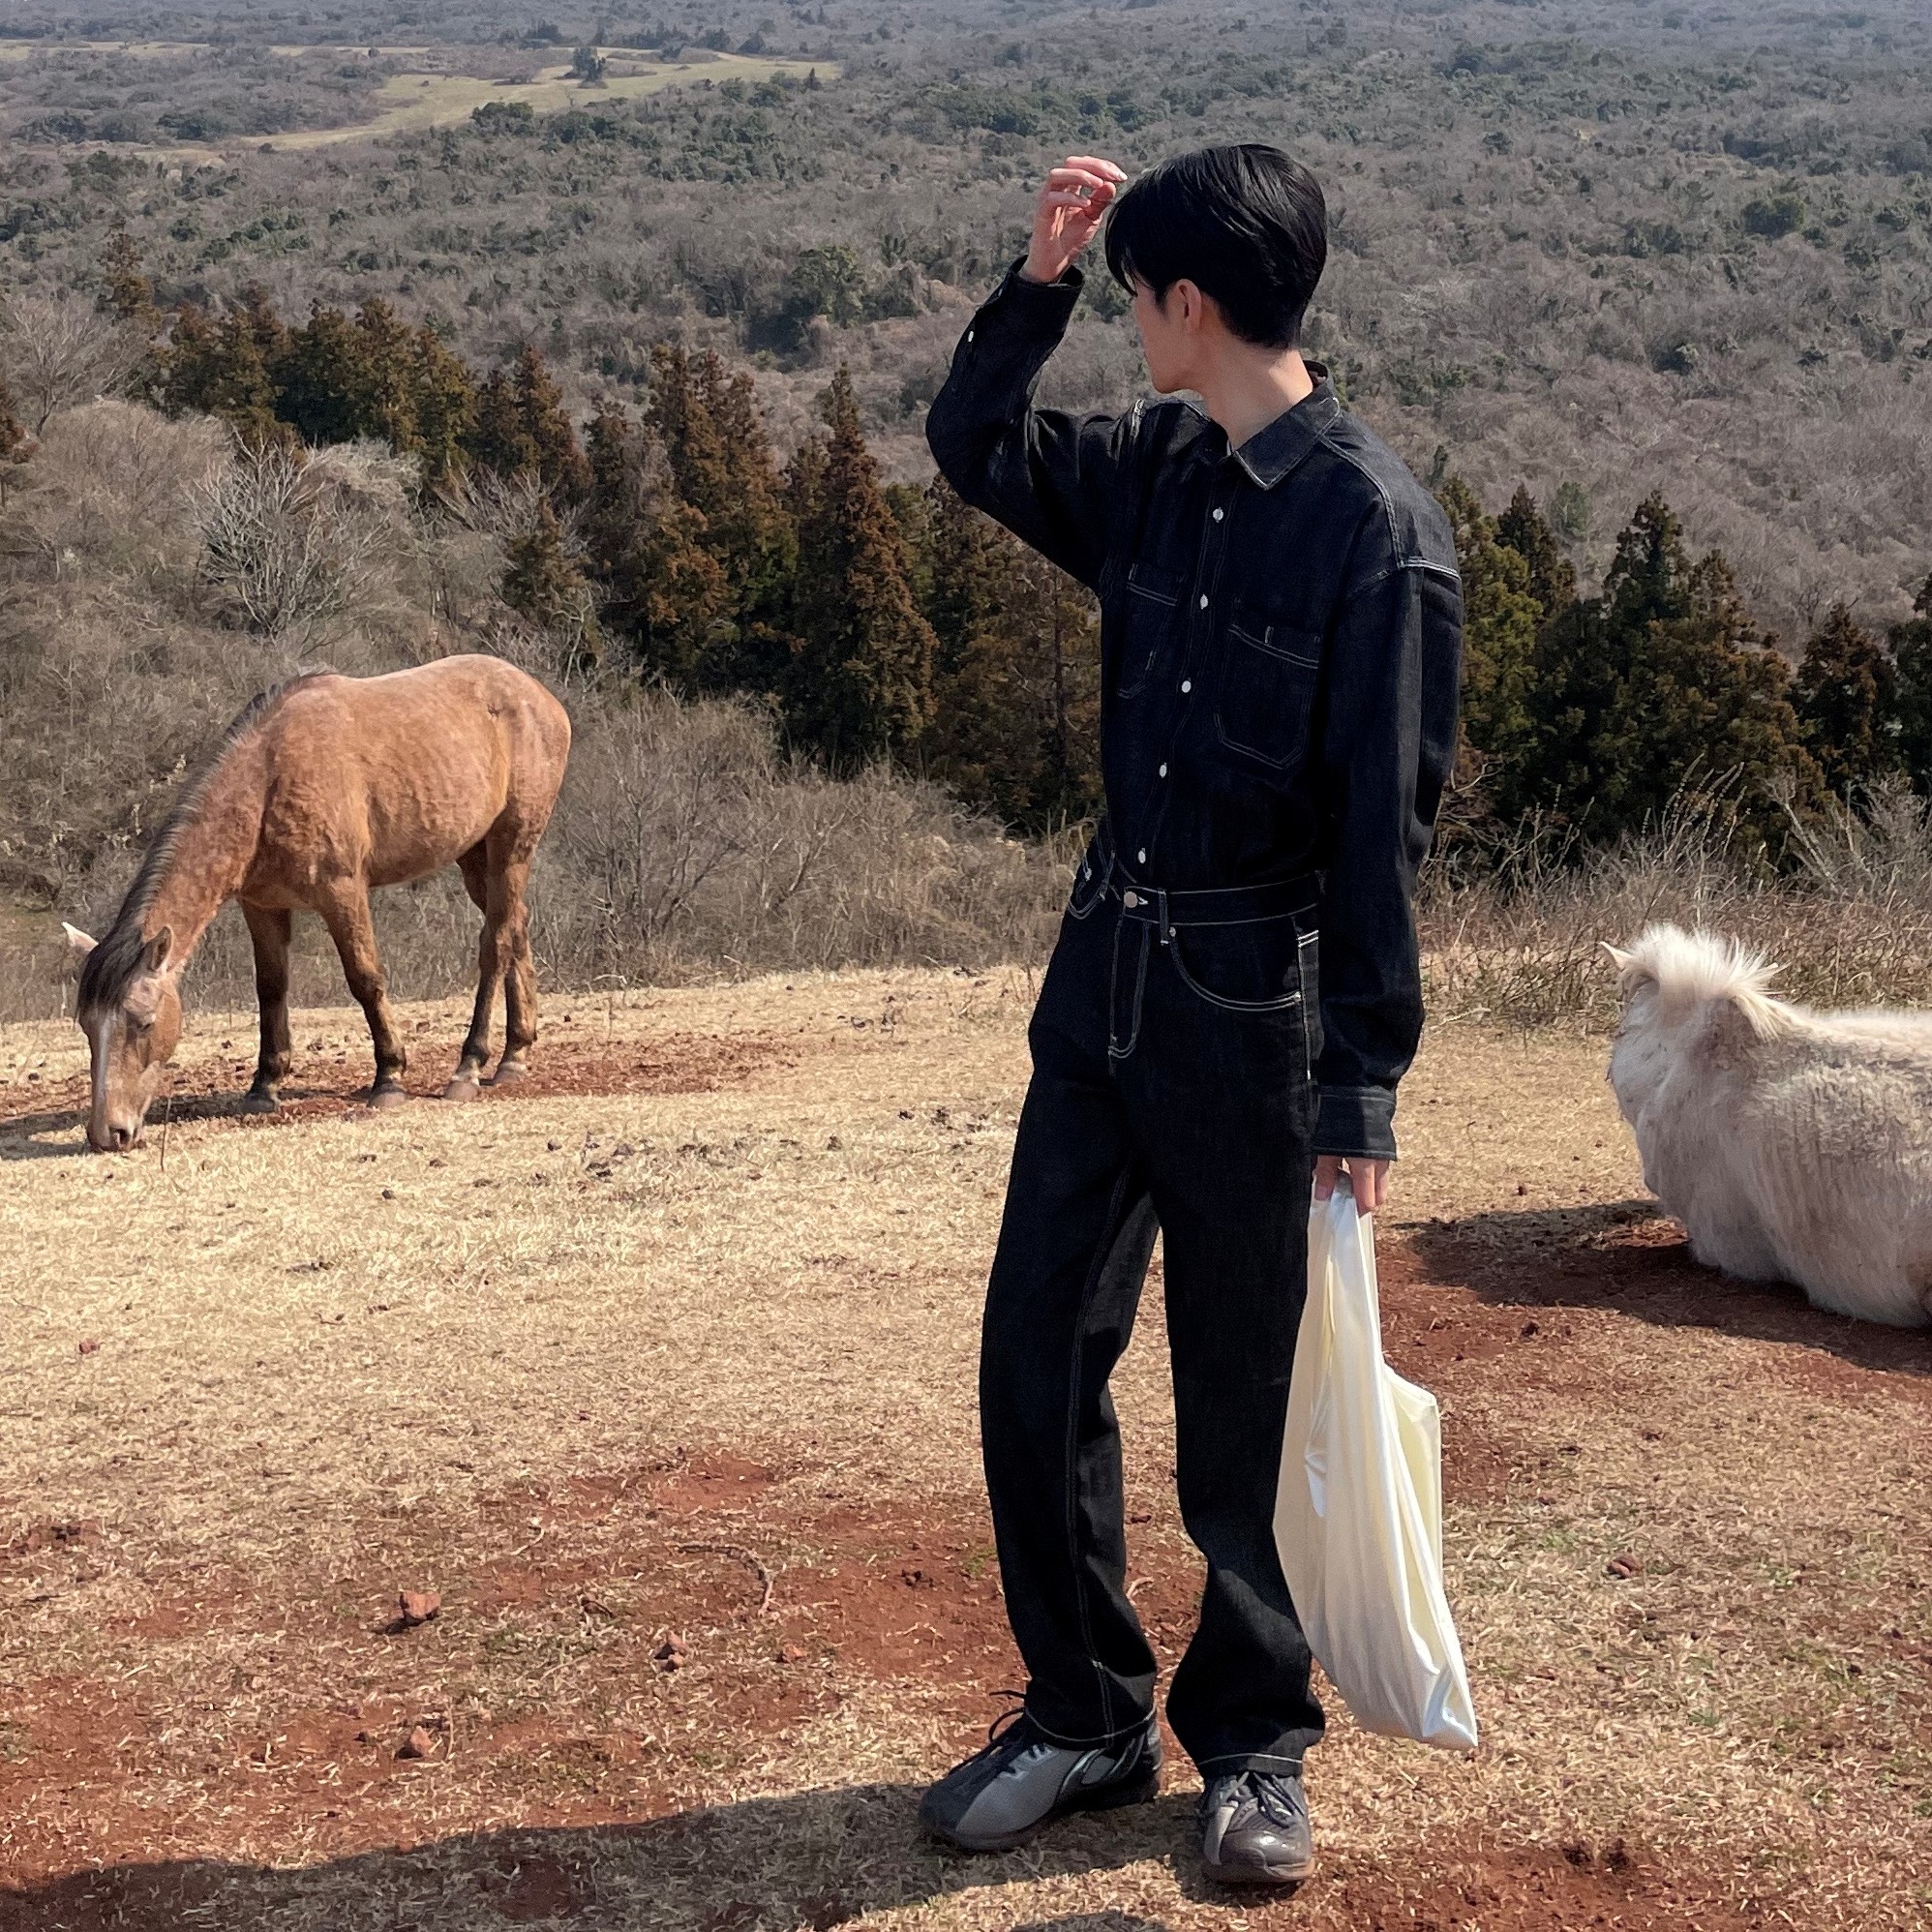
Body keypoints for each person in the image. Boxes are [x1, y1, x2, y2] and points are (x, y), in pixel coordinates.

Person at [919, 144, 1463, 1886]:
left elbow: (1382, 835)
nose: (1124, 322)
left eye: (1127, 293)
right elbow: (972, 446)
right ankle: (1082, 1709)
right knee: (1034, 1354)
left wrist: (1360, 1090)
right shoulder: (1155, 468)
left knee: (1246, 1401)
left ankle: (1251, 1746)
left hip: (1258, 1012)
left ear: (1192, 303)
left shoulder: (1376, 533)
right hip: (1103, 985)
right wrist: (1037, 279)